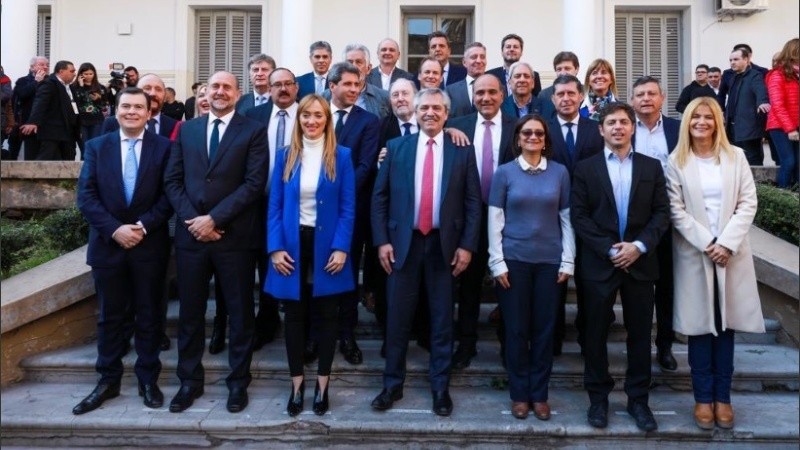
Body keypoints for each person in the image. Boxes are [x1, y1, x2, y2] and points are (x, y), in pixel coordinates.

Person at [371, 88, 481, 417]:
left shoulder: (462, 150)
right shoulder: (396, 147)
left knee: (442, 320)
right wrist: (382, 241)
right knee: (397, 319)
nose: (430, 113)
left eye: (437, 108)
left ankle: (440, 388)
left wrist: (467, 246)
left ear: (447, 114)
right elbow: (379, 198)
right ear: (415, 112)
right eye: (424, 108)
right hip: (402, 245)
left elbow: (473, 203)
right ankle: (392, 385)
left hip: (443, 246)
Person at [164, 71, 268, 414]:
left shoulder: (253, 130)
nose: (220, 92)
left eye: (227, 87)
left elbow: (253, 184)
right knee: (190, 315)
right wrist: (194, 221)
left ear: (238, 94)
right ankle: (189, 382)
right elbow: (173, 181)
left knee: (240, 314)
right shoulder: (188, 130)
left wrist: (214, 219)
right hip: (191, 238)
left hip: (234, 238)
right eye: (214, 87)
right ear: (205, 92)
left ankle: (238, 383)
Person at [666, 96, 765, 430]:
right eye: (696, 117)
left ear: (717, 122)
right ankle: (702, 399)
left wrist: (726, 243)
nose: (701, 122)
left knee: (725, 328)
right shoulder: (676, 161)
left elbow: (748, 203)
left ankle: (723, 398)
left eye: (708, 117)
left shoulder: (735, 157)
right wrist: (708, 243)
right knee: (700, 328)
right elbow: (675, 209)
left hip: (730, 254)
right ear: (687, 122)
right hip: (696, 253)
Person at [571, 102, 669, 432]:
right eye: (611, 122)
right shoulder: (585, 169)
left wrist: (638, 246)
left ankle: (638, 400)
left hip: (640, 263)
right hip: (600, 263)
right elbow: (579, 216)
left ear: (632, 128)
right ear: (601, 129)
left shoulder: (651, 167)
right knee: (595, 334)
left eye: (623, 122)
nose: (617, 127)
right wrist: (608, 248)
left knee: (639, 336)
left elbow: (662, 213)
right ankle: (598, 399)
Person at [74, 87, 173, 415]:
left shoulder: (165, 148)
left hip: (149, 245)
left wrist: (142, 226)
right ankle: (107, 380)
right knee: (109, 317)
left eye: (138, 107)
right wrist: (115, 229)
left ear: (149, 112)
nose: (131, 112)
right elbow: (86, 196)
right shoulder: (96, 147)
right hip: (108, 246)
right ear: (115, 111)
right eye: (126, 106)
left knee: (149, 315)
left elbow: (169, 196)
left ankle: (148, 380)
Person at [265, 94, 355, 417]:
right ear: (299, 119)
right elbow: (275, 206)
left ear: (327, 120)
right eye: (306, 115)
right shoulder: (285, 155)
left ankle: (322, 385)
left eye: (318, 115)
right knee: (294, 317)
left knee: (328, 316)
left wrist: (342, 247)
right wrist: (275, 247)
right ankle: (297, 385)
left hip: (328, 246)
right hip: (291, 245)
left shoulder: (342, 156)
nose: (312, 121)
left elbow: (347, 207)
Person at [488, 114, 574, 420]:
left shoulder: (560, 173)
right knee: (515, 329)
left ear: (546, 139)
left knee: (544, 331)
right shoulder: (504, 173)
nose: (533, 137)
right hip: (514, 261)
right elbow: (495, 220)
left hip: (550, 262)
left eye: (539, 133)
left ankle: (539, 394)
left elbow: (566, 218)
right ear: (518, 138)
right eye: (527, 132)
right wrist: (497, 261)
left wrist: (568, 259)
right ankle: (519, 394)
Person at [448, 74, 516, 370]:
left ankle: (508, 345)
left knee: (508, 284)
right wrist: (447, 128)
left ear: (502, 95)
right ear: (472, 96)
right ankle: (466, 344)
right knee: (468, 285)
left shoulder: (518, 127)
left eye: (492, 92)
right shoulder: (458, 126)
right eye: (479, 93)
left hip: (509, 219)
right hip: (469, 217)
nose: (485, 98)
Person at [546, 74, 604, 355]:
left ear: (581, 96)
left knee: (588, 282)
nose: (566, 98)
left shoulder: (597, 130)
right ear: (552, 98)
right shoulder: (541, 130)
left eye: (571, 93)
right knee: (554, 282)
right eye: (560, 94)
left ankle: (587, 339)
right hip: (550, 218)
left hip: (591, 217)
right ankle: (554, 339)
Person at [630, 76, 681, 372]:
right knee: (638, 289)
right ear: (632, 101)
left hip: (670, 218)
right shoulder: (624, 127)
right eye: (640, 95)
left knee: (666, 286)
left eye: (651, 94)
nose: (646, 99)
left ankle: (664, 345)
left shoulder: (677, 130)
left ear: (662, 97)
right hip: (634, 221)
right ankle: (638, 347)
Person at [19, 60, 80, 161]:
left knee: (67, 159)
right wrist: (33, 121)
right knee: (46, 158)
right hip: (52, 131)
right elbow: (40, 103)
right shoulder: (49, 83)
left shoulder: (68, 86)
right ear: (61, 71)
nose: (74, 74)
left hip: (67, 131)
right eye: (71, 71)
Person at [723, 47, 770, 166]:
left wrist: (762, 102)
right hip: (733, 128)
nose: (732, 62)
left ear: (746, 60)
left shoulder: (755, 75)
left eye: (736, 59)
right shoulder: (733, 77)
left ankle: (756, 180)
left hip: (749, 128)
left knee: (753, 160)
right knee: (736, 161)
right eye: (730, 60)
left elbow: (760, 89)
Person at [765, 38, 799, 188]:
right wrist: (790, 129)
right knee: (788, 162)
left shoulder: (796, 75)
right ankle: (782, 195)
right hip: (780, 126)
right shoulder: (777, 75)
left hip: (796, 125)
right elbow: (777, 105)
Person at [102, 73, 178, 140]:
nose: (153, 93)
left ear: (164, 95)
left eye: (158, 89)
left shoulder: (175, 126)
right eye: (147, 88)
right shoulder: (112, 123)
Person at [9, 56, 48, 160]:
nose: (45, 67)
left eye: (47, 65)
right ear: (32, 67)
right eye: (41, 64)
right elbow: (22, 94)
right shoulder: (22, 81)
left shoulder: (50, 81)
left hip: (44, 124)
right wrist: (36, 82)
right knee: (18, 154)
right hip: (24, 122)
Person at [445, 42, 487, 118]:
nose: (478, 61)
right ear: (464, 62)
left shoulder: (497, 89)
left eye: (482, 57)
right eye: (474, 57)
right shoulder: (450, 91)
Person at [72, 63, 108, 146]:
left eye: (91, 74)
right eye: (86, 74)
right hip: (81, 121)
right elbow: (75, 102)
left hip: (96, 120)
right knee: (84, 145)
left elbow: (104, 105)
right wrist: (81, 87)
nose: (88, 76)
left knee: (95, 145)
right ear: (81, 74)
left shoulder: (100, 88)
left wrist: (98, 99)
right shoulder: (74, 87)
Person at [538, 51, 581, 120]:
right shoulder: (544, 95)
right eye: (559, 69)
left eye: (567, 68)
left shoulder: (586, 92)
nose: (563, 73)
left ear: (577, 69)